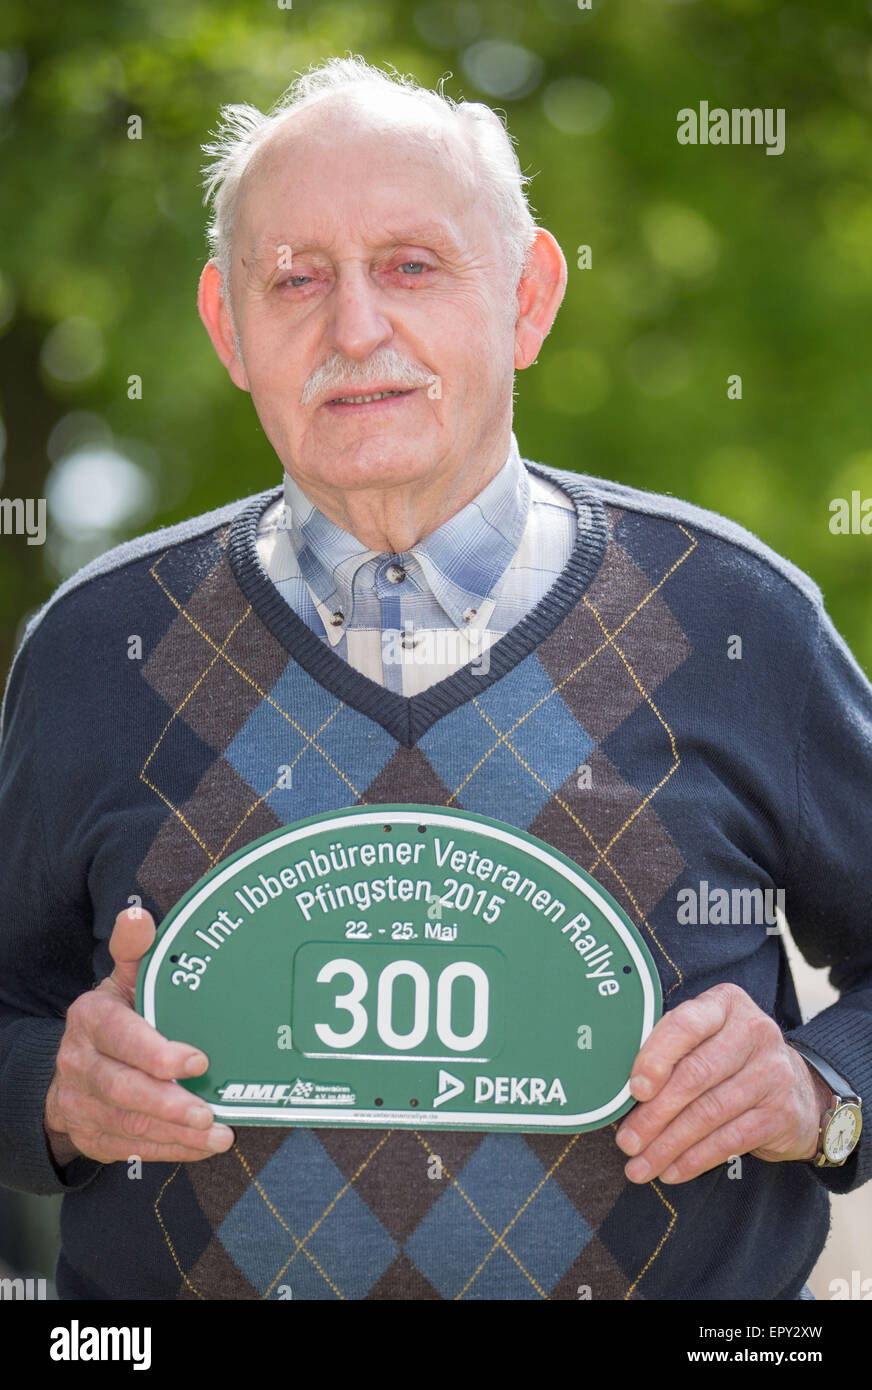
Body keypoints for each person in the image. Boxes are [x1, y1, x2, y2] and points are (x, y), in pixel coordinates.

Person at [0, 55, 868, 1301]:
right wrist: (53, 1093)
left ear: (526, 298)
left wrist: (818, 1092)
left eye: (411, 266)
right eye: (294, 279)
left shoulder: (738, 620)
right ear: (225, 326)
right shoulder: (94, 651)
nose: (354, 329)